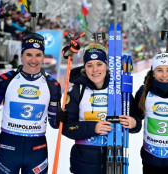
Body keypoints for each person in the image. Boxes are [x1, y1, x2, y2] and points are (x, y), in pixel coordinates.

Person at [0, 33, 61, 174]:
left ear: (43, 57)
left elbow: (54, 123)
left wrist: (64, 116)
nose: (33, 60)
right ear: (22, 56)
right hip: (7, 148)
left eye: (38, 55)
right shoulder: (5, 79)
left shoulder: (52, 85)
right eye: (29, 54)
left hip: (37, 151)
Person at [57, 44, 141, 174]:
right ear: (84, 67)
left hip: (115, 160)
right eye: (89, 65)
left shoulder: (120, 90)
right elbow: (67, 128)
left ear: (106, 66)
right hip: (83, 162)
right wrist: (93, 128)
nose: (95, 69)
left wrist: (134, 123)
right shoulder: (76, 91)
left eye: (99, 64)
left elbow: (136, 119)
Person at [134, 52, 168, 174]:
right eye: (159, 70)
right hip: (150, 160)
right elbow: (135, 119)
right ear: (153, 73)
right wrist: (132, 123)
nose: (164, 75)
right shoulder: (144, 93)